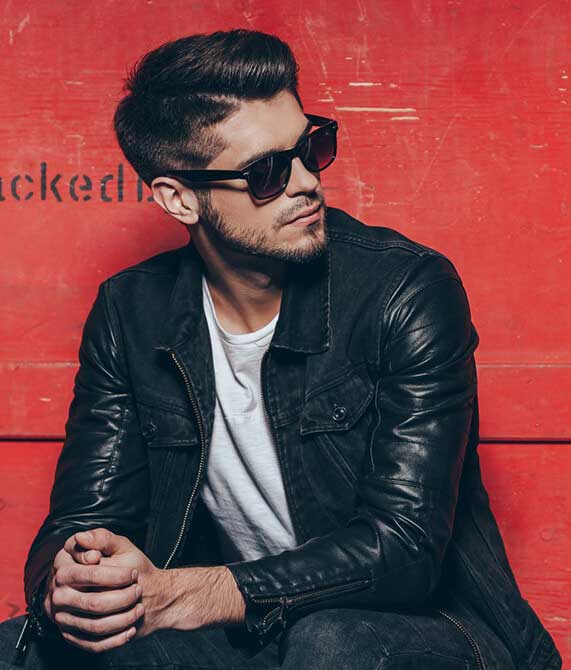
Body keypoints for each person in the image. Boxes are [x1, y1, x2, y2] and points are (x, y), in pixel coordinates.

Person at [0, 28, 562, 670]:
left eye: (310, 148)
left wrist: (192, 593)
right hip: (254, 634)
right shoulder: (130, 312)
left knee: (329, 643)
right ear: (179, 198)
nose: (305, 183)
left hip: (433, 630)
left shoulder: (405, 290)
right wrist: (77, 583)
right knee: (26, 648)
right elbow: (81, 518)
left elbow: (405, 549)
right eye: (265, 173)